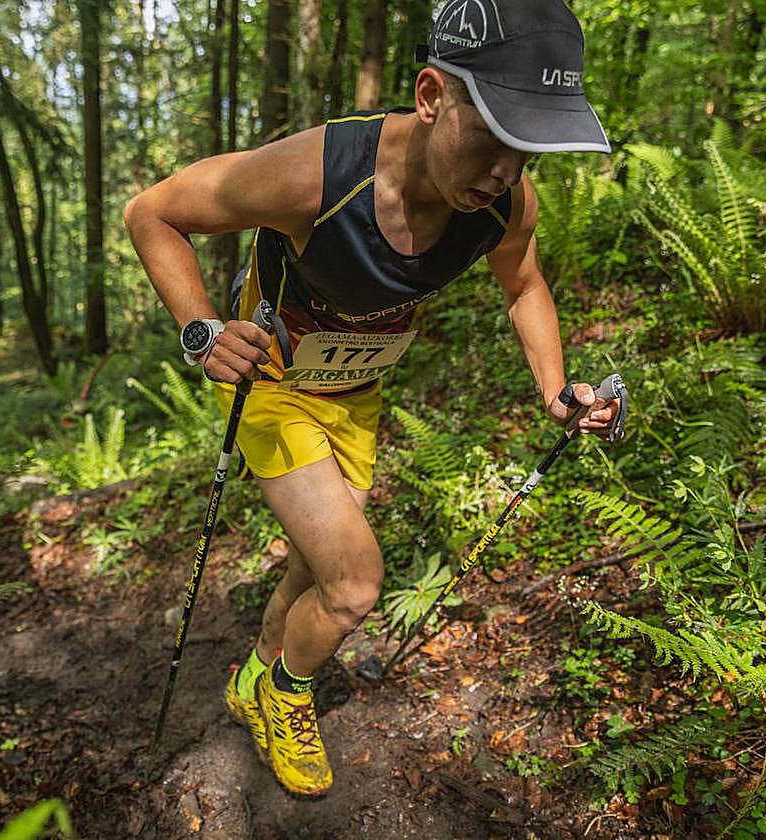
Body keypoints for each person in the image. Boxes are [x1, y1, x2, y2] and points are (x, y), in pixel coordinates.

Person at [125, 0, 622, 797]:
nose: (505, 171)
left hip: (356, 391)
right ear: (431, 96)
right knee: (354, 583)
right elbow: (153, 213)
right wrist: (201, 332)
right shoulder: (316, 174)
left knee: (316, 564)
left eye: (527, 149)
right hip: (274, 384)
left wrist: (555, 390)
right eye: (492, 136)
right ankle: (287, 693)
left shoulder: (504, 204)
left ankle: (255, 674)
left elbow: (524, 285)